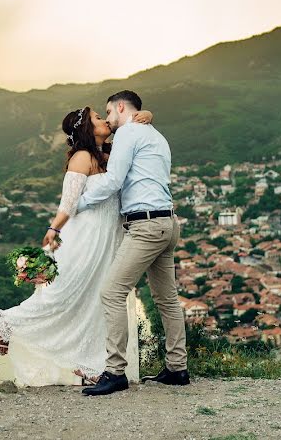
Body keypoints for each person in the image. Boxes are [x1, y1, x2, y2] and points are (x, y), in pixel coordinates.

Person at [0, 106, 152, 386]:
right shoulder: (82, 157)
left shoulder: (111, 154)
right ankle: (10, 323)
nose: (104, 120)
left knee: (99, 301)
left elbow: (135, 136)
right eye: (98, 118)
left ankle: (93, 365)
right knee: (65, 292)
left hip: (109, 239)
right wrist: (54, 229)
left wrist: (146, 115)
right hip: (85, 236)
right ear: (87, 128)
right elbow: (69, 202)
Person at [76, 90, 188, 397]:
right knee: (167, 299)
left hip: (146, 227)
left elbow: (113, 181)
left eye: (108, 112)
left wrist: (78, 203)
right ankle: (178, 368)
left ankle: (115, 372)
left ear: (121, 107)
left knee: (112, 292)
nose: (108, 119)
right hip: (168, 223)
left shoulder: (128, 133)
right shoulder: (157, 136)